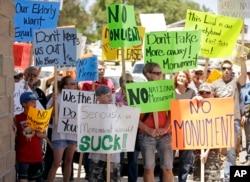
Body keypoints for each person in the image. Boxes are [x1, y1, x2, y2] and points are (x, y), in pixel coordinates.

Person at [211, 54, 247, 181]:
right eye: (224, 68)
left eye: (229, 68)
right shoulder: (214, 84)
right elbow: (207, 99)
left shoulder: (236, 82)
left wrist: (243, 61)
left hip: (233, 120)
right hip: (217, 121)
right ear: (221, 70)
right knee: (215, 149)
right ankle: (214, 175)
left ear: (232, 70)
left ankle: (228, 177)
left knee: (231, 150)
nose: (226, 70)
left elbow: (243, 78)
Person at [138, 62, 173, 182]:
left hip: (165, 134)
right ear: (148, 74)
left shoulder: (165, 90)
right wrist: (149, 130)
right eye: (157, 73)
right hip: (146, 134)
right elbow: (133, 117)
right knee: (148, 168)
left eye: (161, 73)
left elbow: (172, 112)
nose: (160, 76)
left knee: (168, 168)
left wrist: (166, 128)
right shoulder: (138, 91)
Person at [81, 60, 115, 179]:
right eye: (98, 69)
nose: (101, 71)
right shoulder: (86, 84)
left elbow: (114, 100)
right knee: (91, 158)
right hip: (94, 129)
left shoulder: (109, 82)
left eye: (102, 69)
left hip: (109, 134)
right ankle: (87, 171)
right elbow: (83, 102)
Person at [47, 75, 77, 182]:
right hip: (59, 134)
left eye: (75, 83)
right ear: (66, 86)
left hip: (72, 133)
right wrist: (54, 101)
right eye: (72, 84)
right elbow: (49, 114)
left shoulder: (78, 97)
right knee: (56, 163)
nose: (75, 86)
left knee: (69, 161)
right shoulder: (56, 97)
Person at [88, 85, 121, 182]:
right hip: (97, 151)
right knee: (95, 178)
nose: (110, 98)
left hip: (113, 151)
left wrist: (121, 109)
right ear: (98, 97)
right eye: (107, 96)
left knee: (113, 179)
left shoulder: (116, 108)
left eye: (111, 95)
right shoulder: (91, 110)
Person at [14, 92, 46, 182]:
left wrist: (42, 135)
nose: (34, 104)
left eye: (35, 102)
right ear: (24, 104)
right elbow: (14, 136)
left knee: (36, 179)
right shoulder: (17, 118)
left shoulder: (39, 117)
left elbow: (44, 135)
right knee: (23, 179)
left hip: (37, 156)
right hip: (23, 156)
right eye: (32, 102)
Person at [192, 83, 221, 182]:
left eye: (207, 93)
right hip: (197, 152)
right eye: (201, 93)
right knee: (198, 178)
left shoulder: (218, 110)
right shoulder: (195, 108)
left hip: (212, 152)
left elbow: (218, 132)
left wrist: (206, 152)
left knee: (211, 178)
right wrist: (195, 98)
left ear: (213, 94)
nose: (204, 95)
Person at [116, 72, 139, 182]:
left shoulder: (136, 95)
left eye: (131, 81)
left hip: (133, 131)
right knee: (118, 159)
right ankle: (117, 178)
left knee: (133, 160)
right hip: (119, 131)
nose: (128, 83)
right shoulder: (115, 95)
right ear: (121, 83)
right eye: (126, 81)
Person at [174, 70, 196, 182]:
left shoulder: (191, 93)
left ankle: (182, 180)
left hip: (186, 131)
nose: (181, 78)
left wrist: (199, 99)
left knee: (185, 161)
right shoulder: (170, 93)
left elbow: (196, 107)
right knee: (168, 161)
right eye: (179, 76)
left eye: (183, 76)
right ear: (176, 78)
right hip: (171, 131)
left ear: (187, 79)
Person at [240, 69, 250, 166]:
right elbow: (242, 102)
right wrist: (243, 114)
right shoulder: (244, 88)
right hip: (247, 113)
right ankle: (248, 156)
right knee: (248, 137)